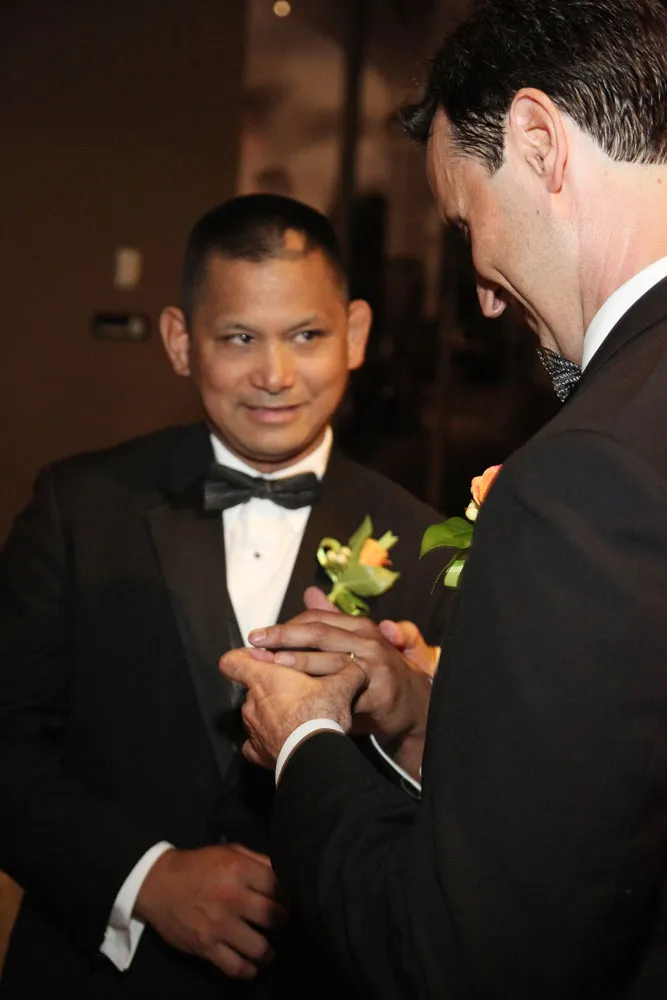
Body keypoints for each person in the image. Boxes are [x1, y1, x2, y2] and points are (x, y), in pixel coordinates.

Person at [220, 3, 667, 997]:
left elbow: (464, 961)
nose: (483, 294)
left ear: (539, 142)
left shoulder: (588, 473)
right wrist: (437, 720)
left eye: (466, 222)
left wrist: (304, 738)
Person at [0, 194, 450, 998]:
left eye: (306, 336)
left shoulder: (422, 543)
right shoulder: (79, 508)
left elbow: (457, 806)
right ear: (181, 341)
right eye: (239, 337)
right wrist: (146, 879)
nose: (274, 375)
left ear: (354, 334)